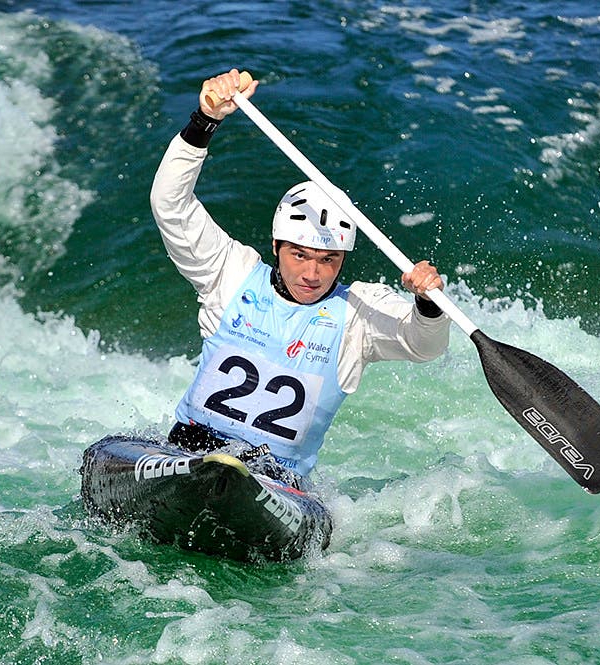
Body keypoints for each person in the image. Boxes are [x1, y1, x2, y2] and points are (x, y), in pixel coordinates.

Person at [149, 68, 450, 489]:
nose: (312, 273)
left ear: (344, 259)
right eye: (299, 255)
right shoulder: (229, 273)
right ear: (276, 246)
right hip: (189, 454)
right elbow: (170, 205)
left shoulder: (357, 316)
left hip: (276, 484)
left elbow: (424, 345)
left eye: (328, 259)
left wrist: (428, 304)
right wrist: (204, 121)